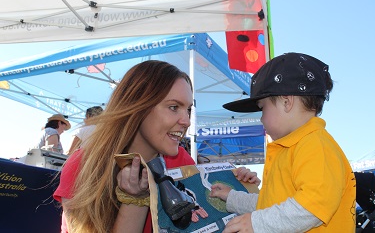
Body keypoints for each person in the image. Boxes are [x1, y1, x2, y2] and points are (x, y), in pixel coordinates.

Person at [53, 60, 259, 233]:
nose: (186, 121)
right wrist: (134, 200)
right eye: (173, 107)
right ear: (138, 106)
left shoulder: (180, 160)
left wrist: (236, 184)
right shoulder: (84, 165)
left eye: (188, 109)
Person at [210, 52, 356, 232]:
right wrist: (232, 197)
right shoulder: (290, 148)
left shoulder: (316, 145)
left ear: (287, 102)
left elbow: (311, 208)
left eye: (262, 109)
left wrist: (256, 223)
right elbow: (271, 204)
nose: (261, 119)